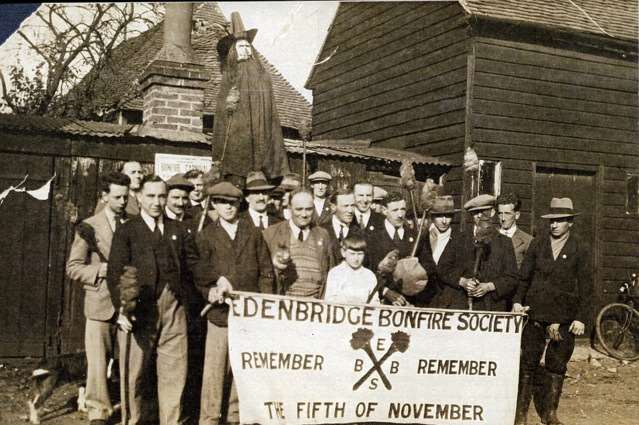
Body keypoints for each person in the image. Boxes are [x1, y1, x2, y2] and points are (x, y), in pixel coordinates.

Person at [107, 175, 199, 425]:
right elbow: (115, 272)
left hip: (173, 310)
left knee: (174, 374)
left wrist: (209, 287)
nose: (157, 202)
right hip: (139, 311)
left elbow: (193, 268)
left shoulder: (178, 230)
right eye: (151, 196)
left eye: (161, 196)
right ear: (139, 197)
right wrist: (122, 310)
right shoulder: (128, 230)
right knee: (134, 375)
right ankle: (132, 421)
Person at [194, 181, 274, 425]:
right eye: (222, 203)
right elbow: (199, 270)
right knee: (214, 371)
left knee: (241, 369)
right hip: (219, 315)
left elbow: (266, 271)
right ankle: (209, 418)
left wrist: (263, 304)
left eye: (232, 203)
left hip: (247, 314)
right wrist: (210, 290)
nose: (228, 208)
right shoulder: (206, 235)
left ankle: (234, 416)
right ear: (214, 205)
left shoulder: (252, 233)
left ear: (239, 204)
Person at [513, 198, 592, 425]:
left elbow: (586, 286)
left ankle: (550, 414)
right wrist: (518, 301)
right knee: (528, 363)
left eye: (560, 221)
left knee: (557, 366)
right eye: (552, 221)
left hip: (564, 319)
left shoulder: (580, 248)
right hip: (535, 315)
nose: (554, 225)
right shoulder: (537, 244)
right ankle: (521, 414)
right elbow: (524, 277)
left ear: (570, 223)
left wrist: (581, 317)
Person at [66, 172, 130, 425]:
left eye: (126, 197)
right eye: (117, 197)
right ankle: (97, 412)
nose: (123, 202)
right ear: (104, 197)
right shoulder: (89, 227)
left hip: (127, 303)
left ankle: (127, 408)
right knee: (98, 362)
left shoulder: (134, 223)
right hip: (99, 303)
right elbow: (73, 267)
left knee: (128, 360)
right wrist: (99, 271)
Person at [212, 12, 290, 182]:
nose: (246, 50)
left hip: (263, 131)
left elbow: (271, 112)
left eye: (248, 46)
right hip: (239, 137)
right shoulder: (229, 77)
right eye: (241, 47)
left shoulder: (263, 76)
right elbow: (221, 115)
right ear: (233, 51)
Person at [262, 189, 336, 298]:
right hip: (283, 305)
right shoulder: (271, 234)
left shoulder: (323, 235)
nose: (304, 214)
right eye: (299, 209)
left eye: (309, 209)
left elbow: (330, 273)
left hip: (315, 307)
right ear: (289, 208)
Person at [457, 194, 519, 311]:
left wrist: (490, 286)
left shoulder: (504, 242)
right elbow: (444, 269)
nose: (479, 216)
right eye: (476, 212)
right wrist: (463, 282)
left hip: (492, 308)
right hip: (463, 306)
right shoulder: (460, 239)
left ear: (492, 213)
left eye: (483, 211)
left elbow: (512, 278)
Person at [365, 192, 420, 306]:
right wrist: (384, 291)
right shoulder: (371, 236)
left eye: (403, 209)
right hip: (381, 301)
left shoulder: (416, 236)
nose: (400, 215)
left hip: (409, 302)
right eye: (395, 210)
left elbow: (428, 265)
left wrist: (417, 269)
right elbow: (366, 270)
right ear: (385, 211)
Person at [417, 195, 464, 309]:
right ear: (432, 217)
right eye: (439, 216)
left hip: (451, 301)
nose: (444, 221)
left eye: (448, 216)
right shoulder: (421, 238)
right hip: (425, 301)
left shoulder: (461, 239)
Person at [324, 234, 380, 305]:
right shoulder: (335, 273)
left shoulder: (369, 275)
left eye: (360, 254)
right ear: (343, 252)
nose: (356, 258)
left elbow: (375, 302)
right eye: (352, 254)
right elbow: (329, 300)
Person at [321, 188, 361, 261]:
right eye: (345, 206)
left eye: (352, 205)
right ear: (333, 207)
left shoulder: (360, 233)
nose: (350, 210)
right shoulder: (321, 230)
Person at [496, 192, 533, 270]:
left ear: (517, 215)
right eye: (500, 213)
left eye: (507, 213)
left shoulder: (528, 241)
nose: (503, 218)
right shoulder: (490, 237)